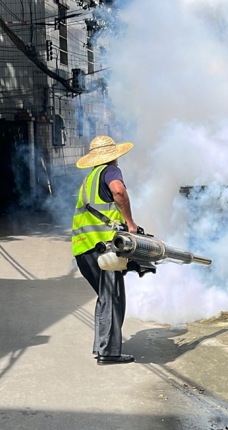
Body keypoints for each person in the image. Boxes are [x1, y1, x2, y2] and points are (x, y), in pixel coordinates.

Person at [71, 136, 139, 365]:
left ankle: (101, 346)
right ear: (114, 156)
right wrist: (130, 223)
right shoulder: (110, 172)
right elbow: (118, 192)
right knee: (112, 297)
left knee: (105, 297)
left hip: (83, 250)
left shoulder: (89, 179)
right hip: (104, 249)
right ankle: (109, 353)